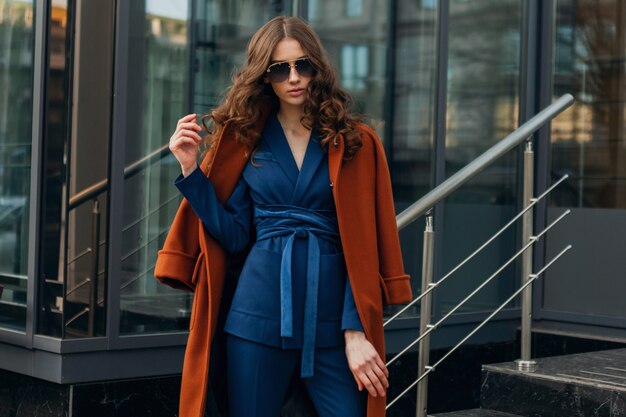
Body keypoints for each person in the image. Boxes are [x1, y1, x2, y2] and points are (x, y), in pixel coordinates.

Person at [155, 15, 412, 417]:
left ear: (317, 68)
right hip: (255, 320)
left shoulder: (355, 142)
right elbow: (237, 237)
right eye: (279, 69)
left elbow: (364, 247)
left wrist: (355, 331)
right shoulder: (244, 140)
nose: (294, 77)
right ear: (264, 76)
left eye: (303, 65)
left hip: (332, 327)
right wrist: (191, 171)